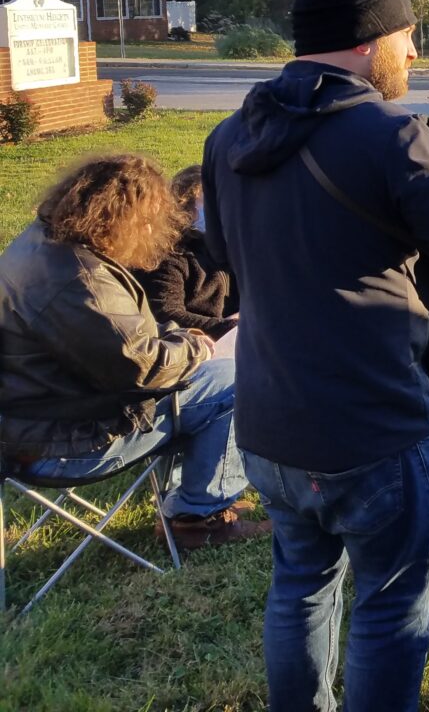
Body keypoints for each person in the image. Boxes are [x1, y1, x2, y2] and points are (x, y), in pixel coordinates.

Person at [203, 0, 429, 711]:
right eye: (407, 38)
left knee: (300, 589)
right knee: (391, 607)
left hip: (270, 426)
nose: (414, 54)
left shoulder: (228, 136)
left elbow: (225, 263)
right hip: (375, 430)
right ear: (370, 43)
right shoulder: (390, 133)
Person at [0, 155, 264, 549]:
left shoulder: (43, 244)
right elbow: (142, 367)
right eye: (147, 221)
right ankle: (198, 516)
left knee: (221, 376)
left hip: (41, 417)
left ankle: (200, 496)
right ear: (117, 215)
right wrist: (196, 347)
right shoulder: (79, 279)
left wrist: (176, 335)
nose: (151, 231)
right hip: (65, 441)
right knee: (241, 382)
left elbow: (115, 336)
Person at [138, 164, 239, 345]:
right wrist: (229, 327)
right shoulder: (167, 254)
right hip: (190, 352)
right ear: (183, 206)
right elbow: (165, 314)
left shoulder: (233, 249)